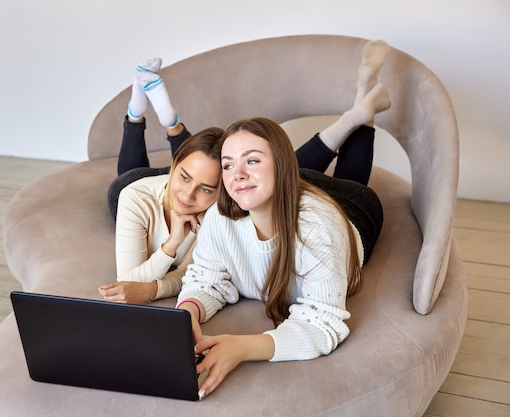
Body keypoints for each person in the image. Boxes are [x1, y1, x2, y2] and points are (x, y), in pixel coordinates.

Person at [175, 40, 391, 399]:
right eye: (228, 165)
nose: (236, 174)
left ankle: (364, 111)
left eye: (252, 161)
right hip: (292, 185)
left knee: (350, 181)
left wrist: (242, 347)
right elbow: (207, 277)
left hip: (353, 209)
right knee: (297, 168)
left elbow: (324, 324)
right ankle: (360, 104)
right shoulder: (220, 215)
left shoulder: (317, 229)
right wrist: (188, 312)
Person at [99, 58, 223, 304]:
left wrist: (152, 290)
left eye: (206, 189)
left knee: (205, 162)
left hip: (174, 180)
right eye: (184, 177)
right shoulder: (135, 197)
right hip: (139, 185)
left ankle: (165, 120)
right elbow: (127, 280)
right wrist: (172, 244)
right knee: (123, 182)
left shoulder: (220, 212)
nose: (188, 196)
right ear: (174, 166)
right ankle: (145, 116)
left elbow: (189, 274)